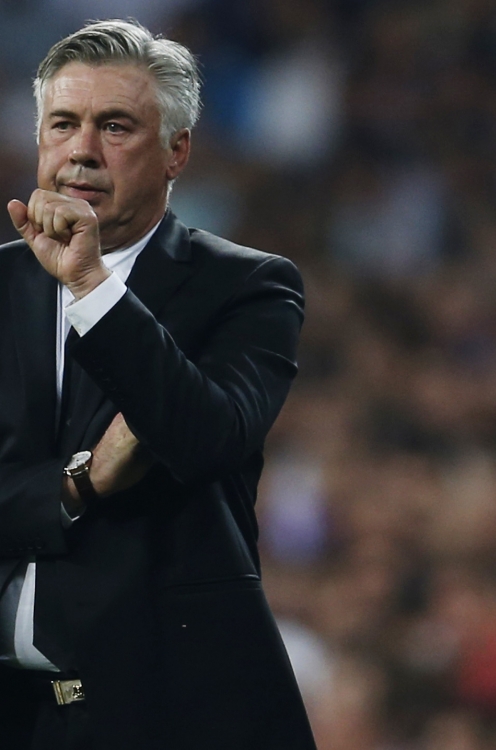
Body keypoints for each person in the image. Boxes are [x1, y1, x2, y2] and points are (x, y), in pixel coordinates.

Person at [0, 18, 317, 750]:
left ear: (177, 151)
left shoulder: (248, 287)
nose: (82, 150)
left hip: (171, 710)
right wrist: (76, 485)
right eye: (63, 123)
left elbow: (204, 440)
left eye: (115, 126)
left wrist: (90, 285)